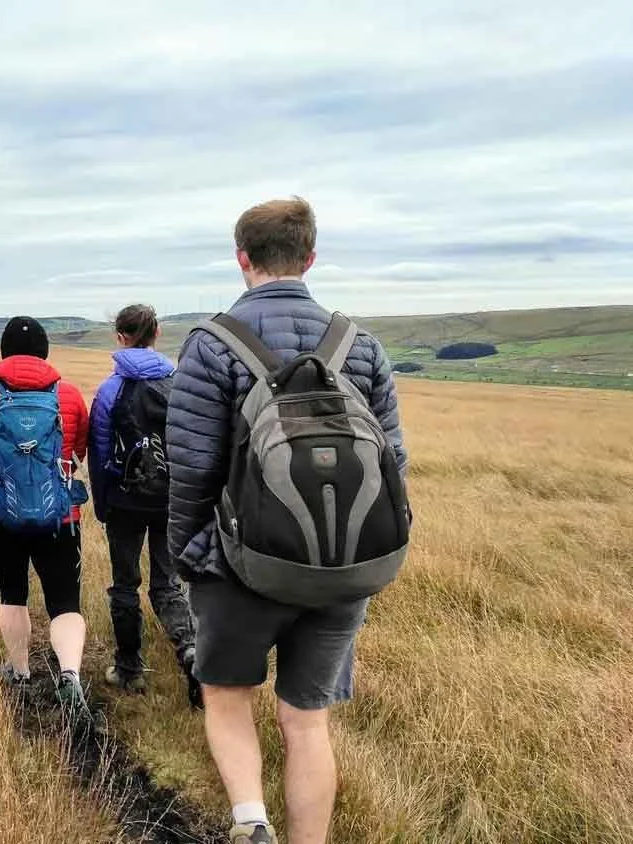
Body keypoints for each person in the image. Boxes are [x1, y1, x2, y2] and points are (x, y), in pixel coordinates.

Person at [167, 197, 408, 844]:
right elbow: (394, 462)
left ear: (241, 258)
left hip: (238, 563)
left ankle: (251, 822)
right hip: (343, 571)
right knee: (307, 723)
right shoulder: (361, 347)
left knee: (227, 696)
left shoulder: (211, 345)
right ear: (310, 258)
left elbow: (191, 467)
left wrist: (190, 554)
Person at [0, 317, 91, 720]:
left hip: (1, 515)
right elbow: (78, 450)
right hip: (61, 517)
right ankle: (71, 675)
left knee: (12, 593)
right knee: (65, 602)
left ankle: (20, 671)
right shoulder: (70, 395)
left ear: (4, 352)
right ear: (45, 351)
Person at [88, 305, 200, 708]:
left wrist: (103, 505)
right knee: (168, 584)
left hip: (124, 500)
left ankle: (129, 668)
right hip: (172, 500)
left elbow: (99, 455)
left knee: (125, 584)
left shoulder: (109, 392)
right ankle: (189, 652)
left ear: (120, 337)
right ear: (158, 335)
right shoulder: (181, 385)